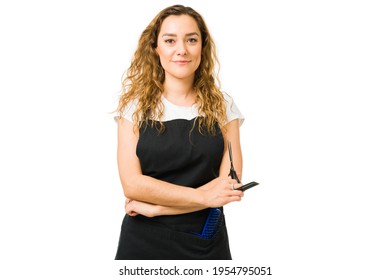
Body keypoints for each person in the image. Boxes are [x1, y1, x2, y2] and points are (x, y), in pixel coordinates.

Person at [114, 4, 245, 260]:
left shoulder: (224, 106)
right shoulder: (134, 108)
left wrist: (158, 208)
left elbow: (229, 185)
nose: (181, 50)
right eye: (170, 40)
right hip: (142, 242)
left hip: (205, 239)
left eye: (191, 40)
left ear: (202, 47)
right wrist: (205, 196)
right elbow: (132, 185)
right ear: (155, 47)